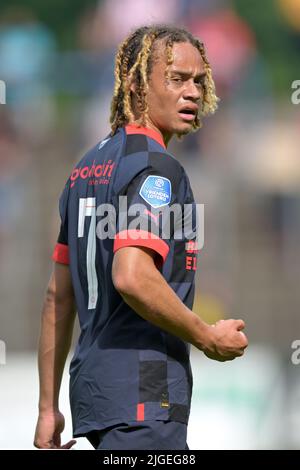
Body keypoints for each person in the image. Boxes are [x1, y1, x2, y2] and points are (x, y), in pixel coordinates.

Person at [34, 24, 248, 451]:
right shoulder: (157, 167)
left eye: (198, 81)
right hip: (143, 392)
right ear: (135, 84)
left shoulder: (86, 167)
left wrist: (46, 407)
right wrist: (206, 335)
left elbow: (58, 298)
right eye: (176, 78)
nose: (191, 93)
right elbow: (131, 275)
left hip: (96, 394)